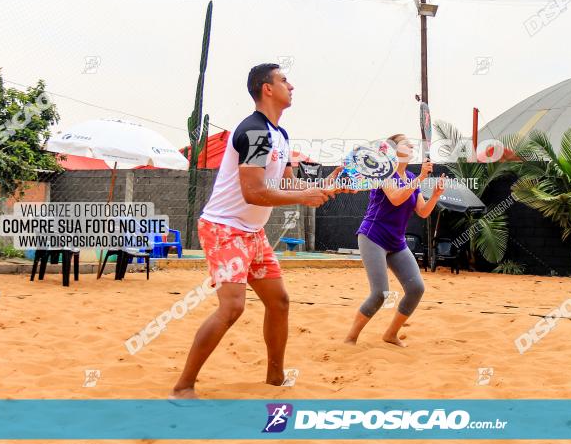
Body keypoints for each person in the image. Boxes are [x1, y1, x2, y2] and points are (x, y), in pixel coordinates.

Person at [171, 63, 339, 398]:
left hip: (251, 232)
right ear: (266, 89)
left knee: (279, 302)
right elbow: (254, 192)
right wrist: (303, 197)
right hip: (224, 229)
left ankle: (275, 378)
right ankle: (183, 387)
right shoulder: (255, 132)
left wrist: (320, 187)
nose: (291, 86)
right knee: (232, 307)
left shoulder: (281, 135)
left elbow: (288, 184)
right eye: (284, 80)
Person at [344, 134, 445, 347]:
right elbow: (396, 198)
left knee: (416, 288)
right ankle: (350, 338)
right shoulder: (384, 173)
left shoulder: (410, 176)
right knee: (380, 293)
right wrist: (420, 178)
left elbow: (423, 212)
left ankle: (390, 334)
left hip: (396, 241)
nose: (410, 144)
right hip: (373, 236)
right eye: (405, 142)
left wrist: (435, 195)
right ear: (393, 150)